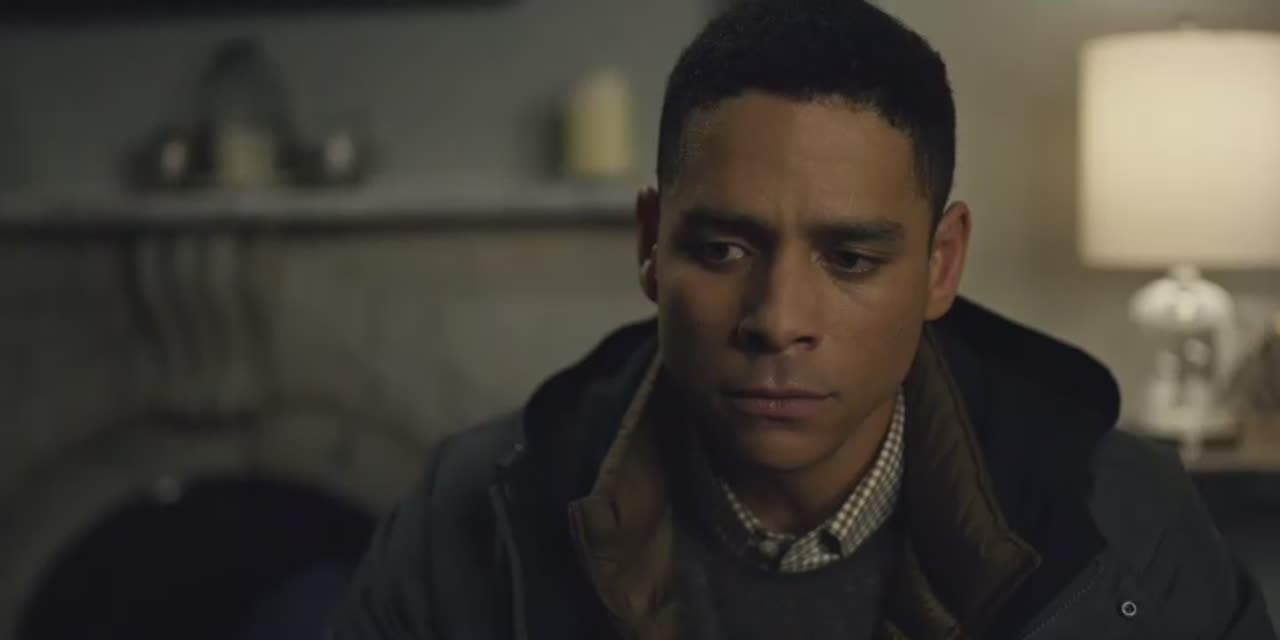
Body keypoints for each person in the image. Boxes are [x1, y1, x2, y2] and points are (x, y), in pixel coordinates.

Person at [329, 1, 1278, 638]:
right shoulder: (474, 514)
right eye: (722, 249)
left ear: (942, 264)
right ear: (652, 245)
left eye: (851, 259)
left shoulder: (1130, 520)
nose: (778, 320)